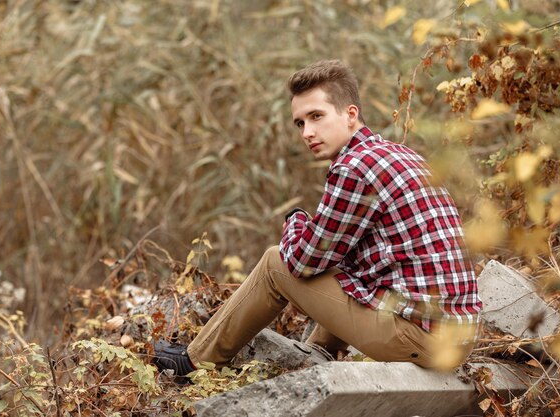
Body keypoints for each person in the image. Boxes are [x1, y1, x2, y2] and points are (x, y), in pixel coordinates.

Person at [152, 59, 482, 377]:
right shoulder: (400, 154)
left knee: (274, 263)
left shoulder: (355, 168)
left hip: (422, 339)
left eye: (316, 116)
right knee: (344, 266)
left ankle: (197, 362)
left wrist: (296, 220)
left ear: (350, 114)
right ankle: (316, 354)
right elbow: (340, 257)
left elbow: (300, 262)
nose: (307, 132)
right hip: (456, 336)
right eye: (300, 123)